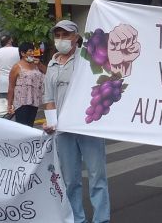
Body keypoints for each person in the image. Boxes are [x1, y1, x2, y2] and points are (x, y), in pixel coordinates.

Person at [43, 20, 110, 223]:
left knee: (97, 176)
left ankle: (102, 219)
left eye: (66, 35)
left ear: (75, 37)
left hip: (87, 126)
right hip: (63, 131)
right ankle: (76, 219)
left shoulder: (86, 60)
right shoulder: (52, 64)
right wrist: (51, 123)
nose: (61, 39)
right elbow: (49, 99)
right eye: (58, 35)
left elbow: (100, 87)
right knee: (70, 180)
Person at [7, 42, 46, 127]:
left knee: (30, 125)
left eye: (33, 51)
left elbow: (47, 73)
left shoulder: (36, 64)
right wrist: (9, 104)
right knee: (22, 126)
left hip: (34, 101)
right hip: (22, 103)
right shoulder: (16, 67)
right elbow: (11, 87)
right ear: (22, 53)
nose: (32, 53)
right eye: (30, 51)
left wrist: (39, 64)